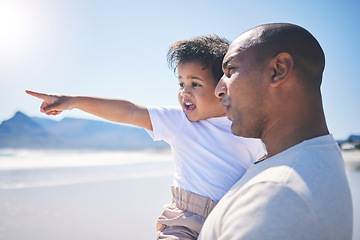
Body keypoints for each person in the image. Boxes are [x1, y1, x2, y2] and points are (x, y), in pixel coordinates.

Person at [26, 35, 265, 240]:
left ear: (223, 87)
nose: (185, 92)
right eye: (181, 83)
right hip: (185, 219)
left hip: (233, 215)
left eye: (195, 83)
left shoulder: (247, 127)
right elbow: (130, 111)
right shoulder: (179, 122)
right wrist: (73, 102)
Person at [198, 23, 353, 240]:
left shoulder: (278, 195)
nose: (218, 89)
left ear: (278, 70)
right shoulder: (306, 156)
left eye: (231, 69)